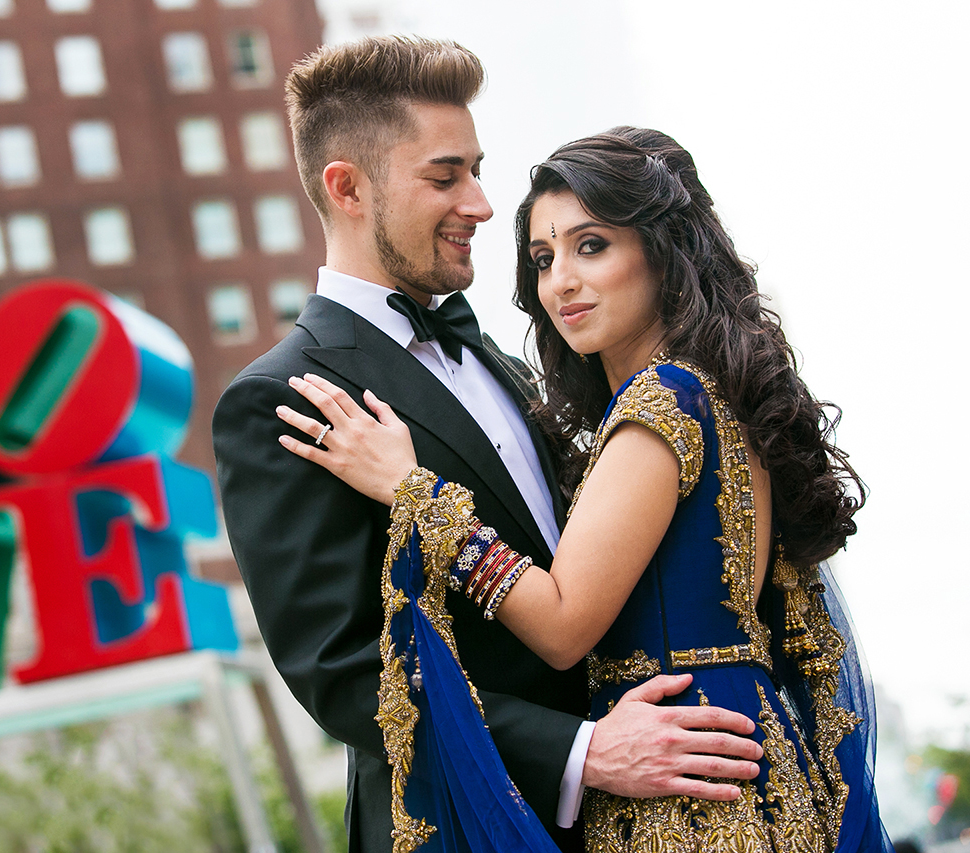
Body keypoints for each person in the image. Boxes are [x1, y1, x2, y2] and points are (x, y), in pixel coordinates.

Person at [212, 36, 764, 853]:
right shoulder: (279, 399)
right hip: (464, 825)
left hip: (653, 804)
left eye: (476, 168)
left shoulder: (505, 363)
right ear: (348, 187)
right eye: (446, 176)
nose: (479, 202)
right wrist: (583, 751)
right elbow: (345, 672)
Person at [277, 126, 893, 852]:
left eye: (591, 245)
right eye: (543, 258)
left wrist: (413, 492)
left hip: (687, 802)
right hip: (753, 767)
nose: (559, 281)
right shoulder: (722, 398)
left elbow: (566, 625)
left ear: (663, 253)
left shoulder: (660, 406)